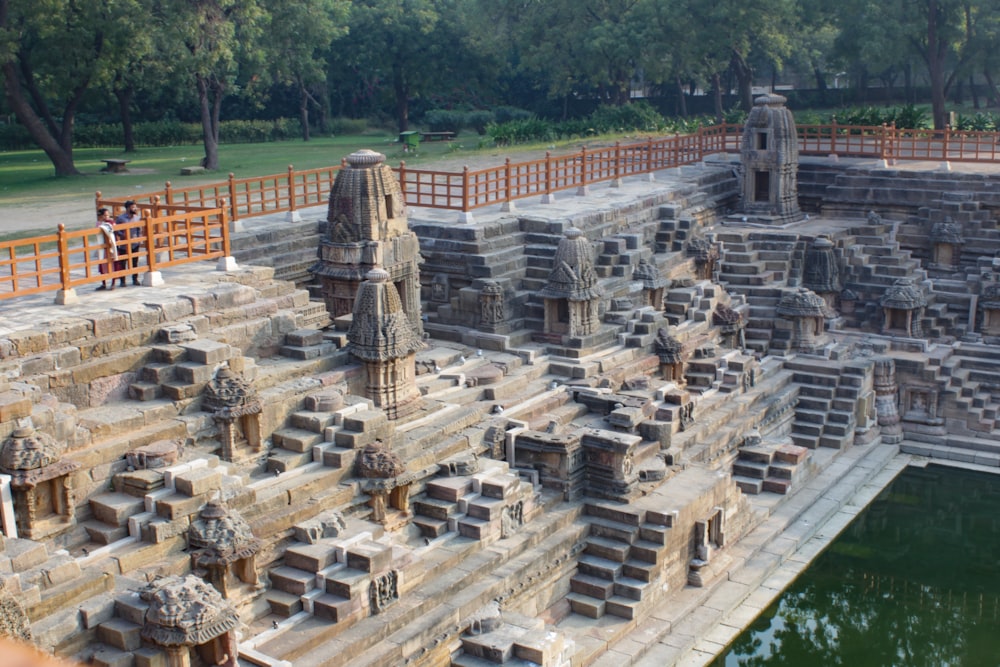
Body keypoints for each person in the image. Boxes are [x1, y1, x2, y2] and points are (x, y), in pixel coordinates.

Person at [115, 200, 142, 286]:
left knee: (135, 262)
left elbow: (139, 229)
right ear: (127, 208)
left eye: (135, 207)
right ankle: (122, 281)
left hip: (135, 243)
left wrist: (139, 239)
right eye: (133, 207)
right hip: (124, 244)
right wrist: (122, 235)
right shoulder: (120, 218)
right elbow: (116, 230)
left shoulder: (137, 218)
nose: (135, 209)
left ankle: (135, 279)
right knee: (123, 263)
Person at [95, 207, 118, 291]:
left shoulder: (111, 222)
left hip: (111, 245)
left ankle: (113, 283)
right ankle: (103, 283)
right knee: (102, 264)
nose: (107, 217)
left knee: (113, 264)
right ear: (101, 216)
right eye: (105, 215)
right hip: (102, 246)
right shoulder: (98, 223)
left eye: (108, 215)